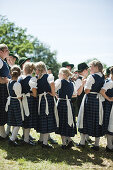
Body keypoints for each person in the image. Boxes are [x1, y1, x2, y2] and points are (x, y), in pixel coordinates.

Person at [77, 60, 105, 151]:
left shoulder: (91, 77)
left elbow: (86, 91)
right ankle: (96, 144)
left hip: (90, 99)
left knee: (85, 118)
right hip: (98, 100)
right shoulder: (102, 76)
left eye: (91, 66)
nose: (89, 68)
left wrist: (84, 83)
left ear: (96, 67)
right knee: (97, 119)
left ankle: (82, 142)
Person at [30, 61, 58, 148]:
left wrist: (53, 93)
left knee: (44, 118)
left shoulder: (41, 77)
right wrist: (53, 93)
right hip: (45, 99)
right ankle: (44, 143)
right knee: (46, 119)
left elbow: (52, 84)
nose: (35, 71)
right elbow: (52, 84)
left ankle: (42, 140)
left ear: (40, 69)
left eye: (36, 69)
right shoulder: (42, 77)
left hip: (43, 99)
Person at [55, 67, 77, 149]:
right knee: (68, 121)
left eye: (59, 73)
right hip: (69, 103)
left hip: (62, 103)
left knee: (62, 121)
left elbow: (53, 89)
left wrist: (57, 95)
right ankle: (69, 140)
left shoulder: (60, 81)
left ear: (63, 74)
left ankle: (64, 143)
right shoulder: (72, 83)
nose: (58, 75)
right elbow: (75, 94)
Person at [18, 62, 37, 145]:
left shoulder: (20, 79)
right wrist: (31, 94)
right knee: (28, 118)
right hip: (29, 100)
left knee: (23, 117)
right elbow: (35, 94)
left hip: (21, 100)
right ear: (32, 70)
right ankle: (26, 139)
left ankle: (25, 137)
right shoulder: (32, 79)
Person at [6, 65, 23, 146]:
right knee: (18, 122)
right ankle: (12, 139)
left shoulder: (9, 82)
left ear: (10, 73)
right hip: (16, 102)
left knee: (13, 120)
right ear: (19, 74)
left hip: (11, 102)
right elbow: (19, 96)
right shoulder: (17, 84)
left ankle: (14, 137)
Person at [100, 66, 113, 152]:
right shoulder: (110, 82)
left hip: (110, 105)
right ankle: (109, 146)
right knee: (110, 124)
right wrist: (109, 99)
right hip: (110, 105)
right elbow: (102, 91)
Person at [0, 44, 10, 140]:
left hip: (4, 88)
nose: (8, 52)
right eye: (7, 50)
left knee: (3, 110)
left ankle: (3, 134)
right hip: (1, 88)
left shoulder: (3, 61)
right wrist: (4, 81)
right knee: (1, 110)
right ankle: (2, 135)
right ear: (1, 51)